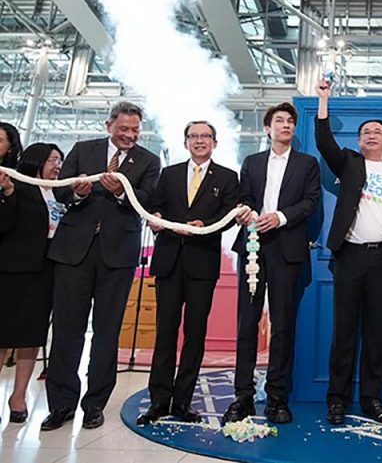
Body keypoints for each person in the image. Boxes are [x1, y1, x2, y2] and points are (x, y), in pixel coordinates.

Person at [43, 101, 161, 431]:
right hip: (73, 252)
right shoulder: (83, 149)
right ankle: (61, 404)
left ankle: (95, 404)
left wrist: (123, 193)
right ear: (109, 126)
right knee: (66, 330)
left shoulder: (149, 160)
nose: (130, 135)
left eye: (135, 130)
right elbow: (60, 193)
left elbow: (149, 200)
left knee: (107, 332)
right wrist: (77, 193)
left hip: (118, 255)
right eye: (124, 129)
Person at [315, 80, 382, 426]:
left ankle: (372, 400)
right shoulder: (350, 164)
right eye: (365, 132)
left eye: (377, 132)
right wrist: (323, 100)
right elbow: (324, 142)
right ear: (359, 142)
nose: (371, 136)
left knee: (376, 334)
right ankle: (337, 401)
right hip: (350, 258)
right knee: (344, 333)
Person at [221, 103, 321, 425]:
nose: (286, 125)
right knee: (247, 324)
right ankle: (243, 396)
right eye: (279, 120)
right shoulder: (252, 162)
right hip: (252, 247)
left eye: (290, 121)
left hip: (287, 249)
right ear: (268, 129)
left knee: (283, 325)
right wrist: (247, 212)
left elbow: (311, 202)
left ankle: (277, 397)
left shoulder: (307, 164)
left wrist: (279, 217)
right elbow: (245, 198)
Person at [136, 121, 239, 425]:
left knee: (195, 335)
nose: (199, 141)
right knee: (165, 333)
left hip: (202, 264)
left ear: (214, 143)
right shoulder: (169, 174)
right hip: (169, 261)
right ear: (185, 143)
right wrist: (155, 217)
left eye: (205, 136)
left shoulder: (227, 177)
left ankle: (183, 401)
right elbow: (155, 207)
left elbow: (230, 215)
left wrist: (205, 226)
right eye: (193, 136)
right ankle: (158, 401)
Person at [0, 143, 64, 424]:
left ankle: (19, 396)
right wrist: (8, 193)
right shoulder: (18, 185)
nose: (57, 166)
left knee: (31, 336)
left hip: (46, 271)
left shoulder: (60, 192)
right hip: (14, 272)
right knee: (3, 335)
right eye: (52, 160)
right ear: (37, 160)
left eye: (60, 161)